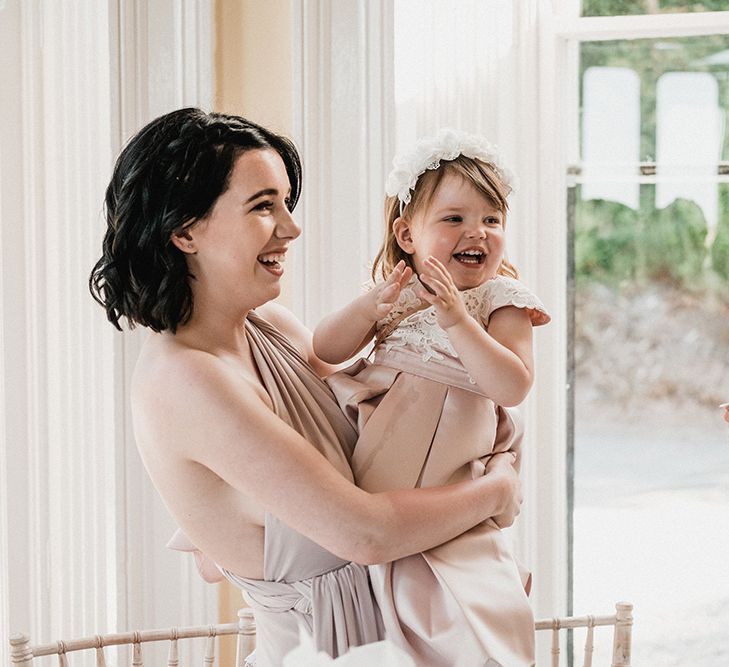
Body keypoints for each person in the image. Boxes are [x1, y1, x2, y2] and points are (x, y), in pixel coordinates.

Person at [89, 109, 525, 666]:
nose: (290, 228)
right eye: (263, 206)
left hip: (412, 636)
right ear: (184, 230)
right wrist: (496, 490)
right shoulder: (184, 380)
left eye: (286, 204)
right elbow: (364, 534)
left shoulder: (272, 325)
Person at [313, 128, 550, 667]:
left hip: (450, 469)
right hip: (378, 455)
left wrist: (461, 322)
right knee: (379, 578)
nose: (479, 233)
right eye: (455, 218)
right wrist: (371, 307)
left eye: (492, 220)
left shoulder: (501, 299)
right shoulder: (397, 292)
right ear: (407, 233)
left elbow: (512, 385)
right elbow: (325, 349)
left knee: (456, 589)